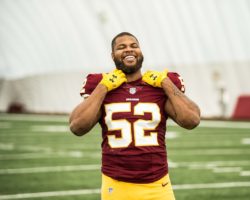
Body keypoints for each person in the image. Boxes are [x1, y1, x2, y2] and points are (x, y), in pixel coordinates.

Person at [69, 32, 200, 200]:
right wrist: (103, 87)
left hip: (158, 184)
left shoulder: (159, 86)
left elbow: (192, 120)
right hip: (116, 184)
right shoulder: (101, 84)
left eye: (134, 46)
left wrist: (165, 83)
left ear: (141, 51)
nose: (129, 50)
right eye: (121, 47)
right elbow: (77, 127)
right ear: (112, 55)